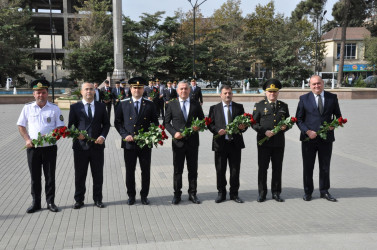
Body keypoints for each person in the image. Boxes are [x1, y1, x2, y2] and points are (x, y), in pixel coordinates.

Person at [17, 81, 65, 213]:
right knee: (35, 177)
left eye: (43, 92)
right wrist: (27, 140)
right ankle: (36, 203)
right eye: (38, 92)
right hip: (33, 148)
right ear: (33, 94)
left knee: (50, 176)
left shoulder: (54, 108)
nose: (41, 95)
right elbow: (21, 125)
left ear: (47, 93)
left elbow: (61, 127)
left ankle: (51, 202)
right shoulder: (27, 108)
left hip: (49, 148)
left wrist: (54, 136)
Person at [296, 75, 342, 202]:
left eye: (319, 83)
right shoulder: (304, 99)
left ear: (323, 83)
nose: (317, 86)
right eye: (314, 84)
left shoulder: (332, 98)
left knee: (325, 166)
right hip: (308, 139)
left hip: (326, 139)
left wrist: (334, 125)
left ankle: (324, 191)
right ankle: (308, 192)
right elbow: (298, 119)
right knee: (308, 166)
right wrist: (307, 131)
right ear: (310, 85)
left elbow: (338, 116)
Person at [114, 81, 159, 205]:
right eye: (135, 88)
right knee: (130, 170)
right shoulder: (123, 104)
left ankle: (144, 195)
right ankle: (131, 195)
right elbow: (117, 122)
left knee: (145, 170)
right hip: (129, 143)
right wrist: (125, 135)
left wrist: (150, 135)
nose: (137, 90)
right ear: (130, 89)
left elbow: (155, 123)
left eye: (139, 88)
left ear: (143, 89)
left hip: (145, 143)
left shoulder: (149, 104)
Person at [68, 82, 110, 209]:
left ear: (95, 91)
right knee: (80, 175)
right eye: (86, 89)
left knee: (98, 175)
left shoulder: (101, 106)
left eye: (91, 89)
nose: (89, 91)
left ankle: (98, 199)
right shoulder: (75, 107)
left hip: (97, 146)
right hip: (80, 147)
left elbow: (106, 125)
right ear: (81, 92)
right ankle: (79, 200)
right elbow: (71, 126)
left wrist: (102, 137)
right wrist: (76, 134)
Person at [164, 81, 205, 205]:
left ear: (189, 90)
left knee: (193, 169)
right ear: (177, 91)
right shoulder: (172, 104)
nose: (183, 91)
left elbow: (202, 119)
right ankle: (177, 194)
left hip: (193, 142)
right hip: (178, 142)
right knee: (178, 170)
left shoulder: (195, 103)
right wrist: (173, 133)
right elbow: (166, 123)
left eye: (186, 89)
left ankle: (193, 193)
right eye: (181, 89)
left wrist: (199, 126)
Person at [252, 79, 290, 202]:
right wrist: (264, 131)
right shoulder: (259, 105)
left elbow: (288, 122)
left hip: (278, 142)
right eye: (270, 92)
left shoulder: (283, 106)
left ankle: (276, 192)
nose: (272, 94)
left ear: (278, 92)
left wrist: (285, 127)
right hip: (264, 142)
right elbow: (253, 123)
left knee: (277, 168)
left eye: (275, 91)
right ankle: (262, 193)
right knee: (263, 168)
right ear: (266, 92)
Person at [208, 85, 247, 203]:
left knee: (235, 170)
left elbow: (244, 125)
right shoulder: (214, 108)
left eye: (229, 93)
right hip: (220, 143)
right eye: (225, 93)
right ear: (220, 95)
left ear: (232, 94)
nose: (227, 95)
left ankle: (234, 194)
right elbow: (210, 124)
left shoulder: (239, 107)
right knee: (220, 170)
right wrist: (216, 131)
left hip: (235, 144)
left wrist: (242, 128)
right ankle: (221, 193)